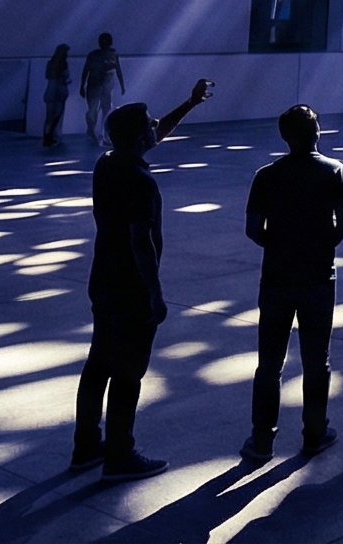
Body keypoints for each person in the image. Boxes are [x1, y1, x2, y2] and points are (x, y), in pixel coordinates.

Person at [73, 75, 213, 481]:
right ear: (137, 139)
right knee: (128, 372)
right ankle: (120, 455)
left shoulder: (107, 165)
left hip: (102, 282)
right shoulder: (142, 182)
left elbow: (151, 135)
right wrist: (155, 294)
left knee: (98, 363)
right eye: (150, 125)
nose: (156, 128)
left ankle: (86, 445)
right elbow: (141, 244)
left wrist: (189, 103)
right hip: (131, 289)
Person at [241, 105, 343, 462]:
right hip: (318, 277)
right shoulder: (334, 171)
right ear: (316, 132)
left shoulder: (266, 175)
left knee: (269, 363)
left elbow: (252, 229)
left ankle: (262, 439)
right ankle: (314, 433)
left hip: (276, 277)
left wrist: (277, 246)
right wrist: (322, 245)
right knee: (316, 360)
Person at [81, 33, 124, 149]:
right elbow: (86, 70)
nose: (103, 43)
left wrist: (122, 85)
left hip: (103, 88)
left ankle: (103, 135)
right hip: (94, 86)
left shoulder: (112, 55)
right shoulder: (94, 55)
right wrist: (82, 85)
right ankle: (93, 131)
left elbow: (118, 71)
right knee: (93, 111)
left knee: (105, 111)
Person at [40, 45, 71, 153]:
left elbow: (48, 75)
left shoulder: (50, 63)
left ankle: (47, 137)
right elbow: (64, 77)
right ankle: (50, 136)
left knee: (49, 116)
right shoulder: (64, 64)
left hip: (51, 89)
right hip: (59, 91)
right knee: (56, 114)